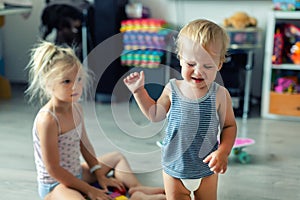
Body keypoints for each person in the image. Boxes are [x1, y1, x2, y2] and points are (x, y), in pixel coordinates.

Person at [26, 41, 166, 200]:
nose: (76, 87)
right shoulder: (48, 120)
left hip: (77, 173)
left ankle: (136, 189)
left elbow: (84, 145)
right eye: (66, 82)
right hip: (56, 184)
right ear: (48, 84)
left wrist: (99, 174)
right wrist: (89, 189)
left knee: (117, 157)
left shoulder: (76, 108)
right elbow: (54, 170)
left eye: (78, 79)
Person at [123, 19, 237, 200]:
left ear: (219, 64)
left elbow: (229, 126)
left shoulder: (220, 95)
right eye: (191, 64)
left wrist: (223, 152)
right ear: (181, 59)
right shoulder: (172, 89)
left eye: (207, 66)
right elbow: (155, 115)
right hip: (174, 169)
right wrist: (139, 92)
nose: (198, 72)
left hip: (206, 170)